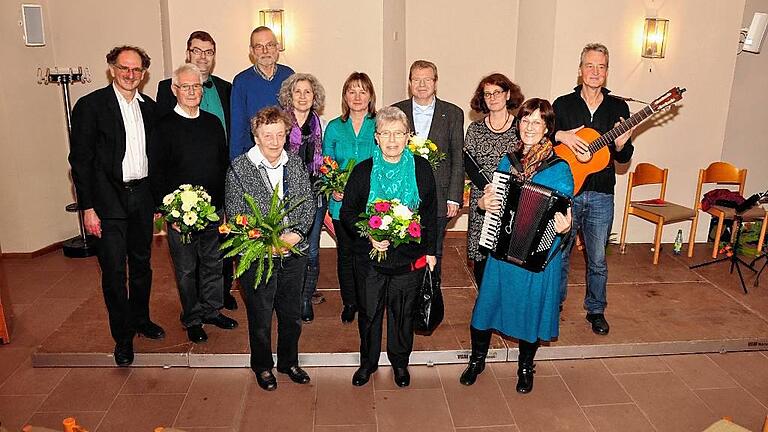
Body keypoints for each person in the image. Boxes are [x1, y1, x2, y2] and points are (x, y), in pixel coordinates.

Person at [460, 98, 573, 393]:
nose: (529, 128)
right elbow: (490, 199)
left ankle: (525, 367)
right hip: (502, 247)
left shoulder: (560, 169)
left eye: (537, 122)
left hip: (538, 256)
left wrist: (566, 227)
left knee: (529, 310)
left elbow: (564, 217)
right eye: (525, 121)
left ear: (548, 127)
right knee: (485, 306)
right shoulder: (507, 162)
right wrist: (484, 203)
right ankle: (477, 360)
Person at [69, 45, 164, 367]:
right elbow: (79, 162)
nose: (130, 75)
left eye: (137, 70)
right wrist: (88, 207)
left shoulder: (148, 108)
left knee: (142, 265)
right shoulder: (91, 106)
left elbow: (156, 158)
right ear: (112, 68)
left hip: (142, 196)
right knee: (113, 271)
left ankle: (141, 319)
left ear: (143, 73)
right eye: (124, 68)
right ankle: (122, 339)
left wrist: (155, 201)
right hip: (107, 200)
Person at [340, 106, 437, 388]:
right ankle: (367, 364)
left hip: (409, 259)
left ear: (408, 137)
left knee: (403, 314)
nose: (392, 140)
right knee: (369, 314)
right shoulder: (363, 171)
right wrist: (368, 237)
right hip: (371, 259)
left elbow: (430, 212)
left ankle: (400, 363)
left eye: (398, 134)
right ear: (377, 137)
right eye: (386, 134)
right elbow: (347, 214)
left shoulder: (421, 168)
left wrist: (431, 252)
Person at [224, 107, 314, 391]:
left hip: (292, 251)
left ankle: (289, 362)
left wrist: (296, 234)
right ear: (256, 136)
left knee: (291, 314)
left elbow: (307, 204)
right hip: (258, 253)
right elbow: (238, 213)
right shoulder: (239, 168)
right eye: (267, 135)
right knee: (260, 315)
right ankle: (262, 366)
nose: (274, 141)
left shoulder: (296, 164)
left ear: (287, 135)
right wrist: (267, 242)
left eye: (280, 134)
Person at [149, 63, 237, 344]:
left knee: (214, 262)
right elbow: (157, 173)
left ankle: (212, 310)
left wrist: (223, 209)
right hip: (179, 214)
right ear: (174, 90)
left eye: (196, 86)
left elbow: (223, 166)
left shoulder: (212, 123)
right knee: (187, 268)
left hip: (213, 211)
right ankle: (192, 318)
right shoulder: (163, 127)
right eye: (185, 86)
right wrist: (167, 212)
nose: (191, 91)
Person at [554, 43, 634, 336]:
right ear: (580, 70)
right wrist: (561, 134)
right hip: (567, 191)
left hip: (602, 193)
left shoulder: (618, 108)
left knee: (598, 258)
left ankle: (596, 310)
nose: (595, 72)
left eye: (601, 67)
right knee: (560, 254)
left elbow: (623, 158)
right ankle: (555, 304)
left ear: (607, 72)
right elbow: (547, 143)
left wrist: (622, 143)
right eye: (590, 65)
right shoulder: (562, 105)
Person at [393, 60, 464, 280]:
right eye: (416, 79)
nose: (422, 84)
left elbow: (457, 158)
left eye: (427, 79)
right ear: (410, 83)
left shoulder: (453, 113)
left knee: (434, 251)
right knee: (403, 248)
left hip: (439, 195)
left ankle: (430, 301)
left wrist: (454, 198)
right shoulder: (396, 111)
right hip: (402, 194)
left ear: (435, 82)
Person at [322, 72, 378, 323]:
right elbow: (326, 163)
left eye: (362, 91)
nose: (357, 96)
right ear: (345, 95)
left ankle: (369, 299)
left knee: (368, 253)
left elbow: (386, 163)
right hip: (340, 203)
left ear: (370, 96)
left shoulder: (379, 124)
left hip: (371, 205)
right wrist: (332, 187)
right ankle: (350, 302)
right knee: (345, 254)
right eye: (352, 91)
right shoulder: (335, 126)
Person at [463, 73, 524, 287]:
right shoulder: (475, 129)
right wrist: (488, 188)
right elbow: (468, 161)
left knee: (509, 256)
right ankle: (484, 308)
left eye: (497, 92)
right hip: (483, 198)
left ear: (508, 95)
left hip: (513, 200)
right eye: (487, 93)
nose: (492, 97)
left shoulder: (521, 128)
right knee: (483, 259)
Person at [277, 73, 327, 322]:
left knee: (313, 251)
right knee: (286, 247)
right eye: (298, 91)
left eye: (308, 92)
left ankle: (305, 299)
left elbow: (323, 162)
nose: (303, 96)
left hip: (315, 193)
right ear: (289, 95)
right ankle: (287, 298)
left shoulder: (319, 124)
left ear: (314, 96)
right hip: (284, 196)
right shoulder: (279, 123)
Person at [230, 26, 295, 160]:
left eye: (270, 45)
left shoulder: (289, 75)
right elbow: (237, 127)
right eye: (259, 46)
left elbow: (296, 118)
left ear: (277, 48)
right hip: (254, 157)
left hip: (285, 155)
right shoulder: (241, 81)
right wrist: (235, 164)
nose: (265, 51)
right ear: (252, 51)